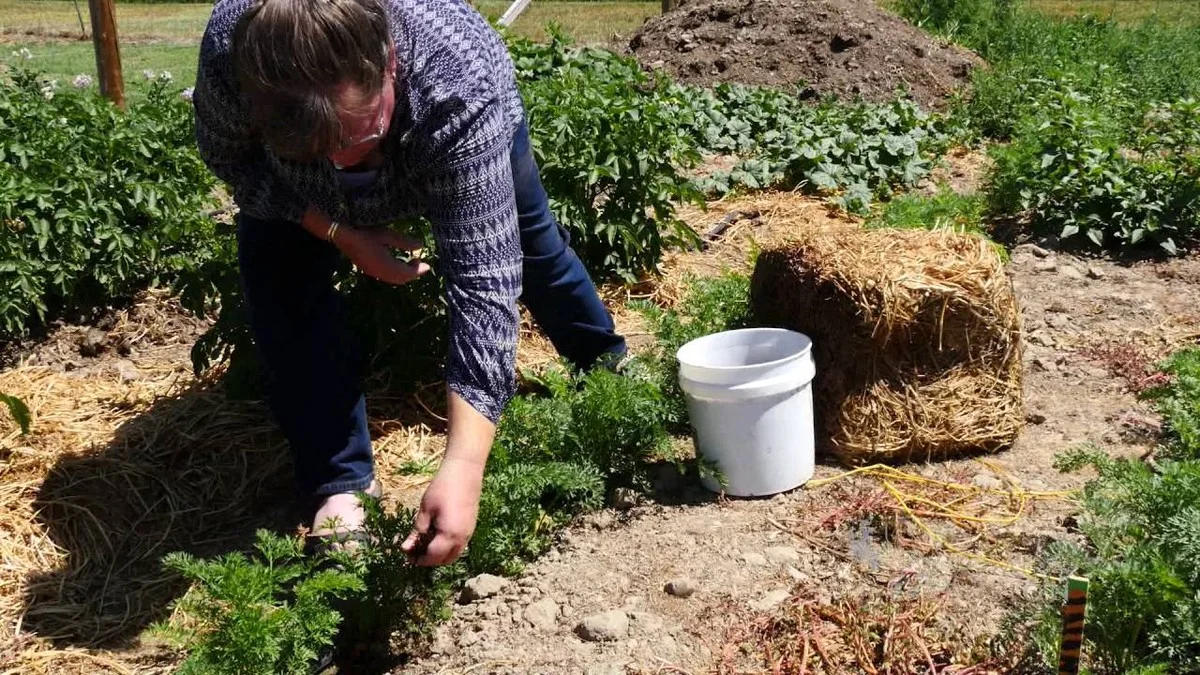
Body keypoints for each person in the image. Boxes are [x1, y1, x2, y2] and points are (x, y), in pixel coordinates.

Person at [193, 0, 625, 565]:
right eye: (319, 148)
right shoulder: (234, 49)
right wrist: (336, 229)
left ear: (389, 63)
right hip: (300, 196)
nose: (345, 163)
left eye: (359, 133)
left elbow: (484, 282)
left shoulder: (457, 83)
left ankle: (608, 364)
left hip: (456, 110)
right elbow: (230, 160)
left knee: (530, 243)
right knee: (281, 281)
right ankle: (341, 481)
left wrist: (464, 467)